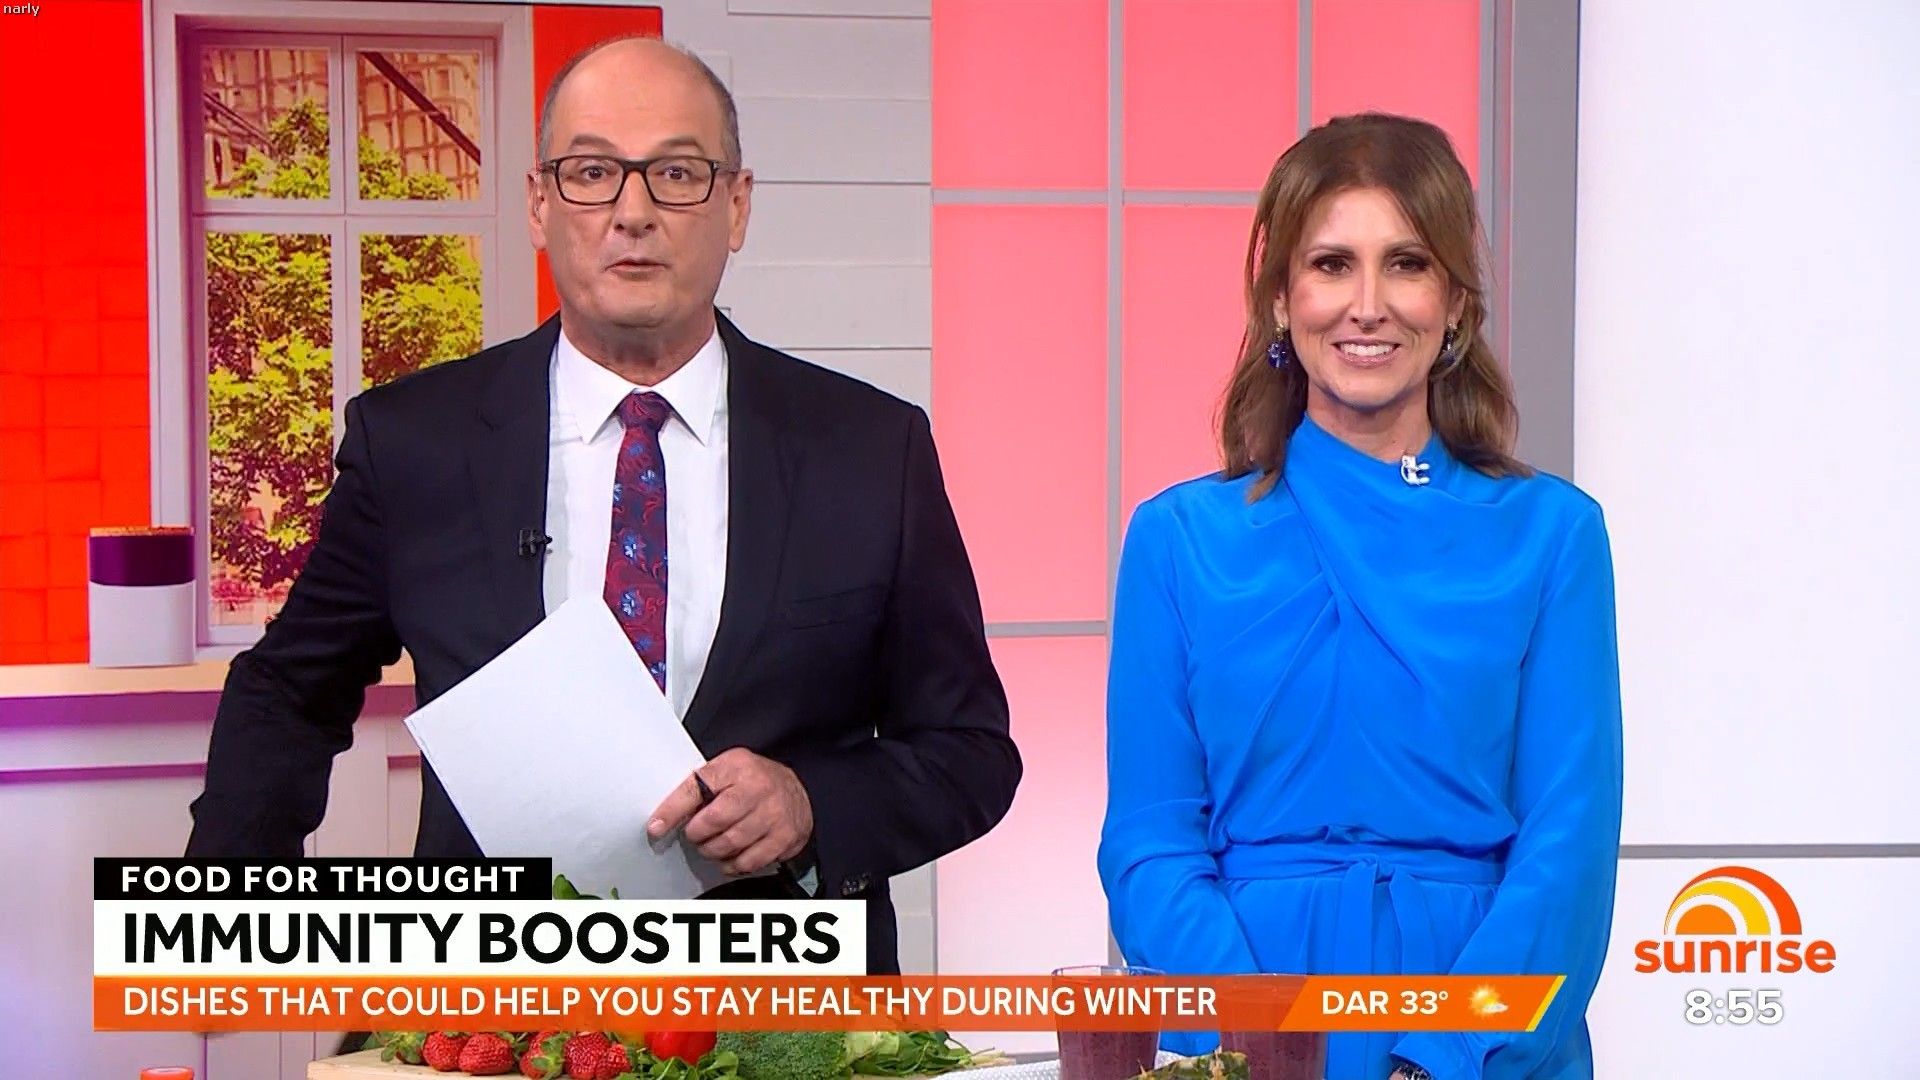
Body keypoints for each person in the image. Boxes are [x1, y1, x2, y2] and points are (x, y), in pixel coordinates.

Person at [186, 35, 1021, 975]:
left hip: (789, 1002)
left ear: (737, 207)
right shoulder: (415, 444)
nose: (633, 213)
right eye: (591, 174)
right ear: (538, 205)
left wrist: (812, 803)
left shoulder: (870, 449)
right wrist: (222, 922)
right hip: (499, 999)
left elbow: (971, 752)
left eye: (677, 174)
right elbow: (290, 692)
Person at [1098, 113, 1622, 1080]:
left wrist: (1443, 1059)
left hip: (1482, 1028)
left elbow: (1569, 849)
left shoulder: (1553, 535)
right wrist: (1252, 1048)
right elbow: (1149, 842)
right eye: (1332, 265)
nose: (1368, 306)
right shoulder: (1176, 540)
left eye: (1407, 264)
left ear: (1454, 303)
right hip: (1244, 1021)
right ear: (1281, 300)